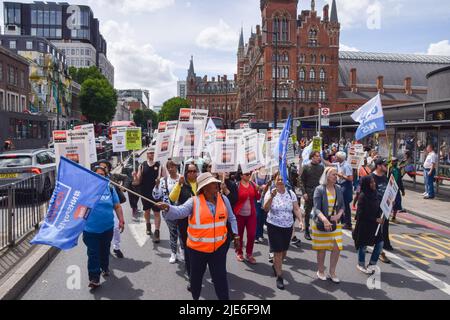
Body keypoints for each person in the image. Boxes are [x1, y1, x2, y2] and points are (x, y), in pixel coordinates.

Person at [158, 172, 240, 300]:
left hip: (218, 249)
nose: (216, 185)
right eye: (213, 184)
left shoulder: (224, 199)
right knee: (195, 281)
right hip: (197, 251)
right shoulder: (193, 202)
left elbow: (232, 218)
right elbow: (180, 211)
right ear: (204, 188)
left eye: (216, 183)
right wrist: (168, 208)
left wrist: (236, 235)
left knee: (221, 281)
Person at [83, 166, 125, 289]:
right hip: (90, 230)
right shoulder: (87, 190)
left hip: (107, 228)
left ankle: (105, 267)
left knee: (104, 250)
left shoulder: (110, 188)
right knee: (93, 253)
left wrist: (121, 220)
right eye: (98, 174)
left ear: (106, 176)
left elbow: (117, 206)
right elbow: (79, 207)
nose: (100, 176)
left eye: (103, 174)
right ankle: (94, 278)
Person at [263, 173, 303, 290]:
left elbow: (296, 208)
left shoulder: (291, 193)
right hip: (273, 225)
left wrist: (300, 221)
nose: (280, 181)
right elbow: (265, 208)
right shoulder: (270, 192)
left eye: (282, 179)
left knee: (284, 251)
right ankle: (279, 276)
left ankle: (276, 266)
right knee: (278, 252)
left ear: (286, 181)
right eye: (278, 179)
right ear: (275, 181)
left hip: (288, 226)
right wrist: (271, 196)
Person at [311, 167, 345, 283]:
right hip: (322, 222)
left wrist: (339, 215)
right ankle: (321, 271)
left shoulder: (339, 188)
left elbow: (342, 206)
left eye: (336, 174)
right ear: (326, 176)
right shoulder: (319, 189)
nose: (336, 176)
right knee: (322, 249)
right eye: (333, 174)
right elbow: (316, 209)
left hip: (335, 223)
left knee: (337, 248)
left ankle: (332, 272)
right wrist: (325, 220)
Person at [169, 162, 198, 290]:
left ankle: (197, 268)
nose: (192, 173)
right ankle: (190, 272)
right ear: (185, 172)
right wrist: (179, 184)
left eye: (194, 171)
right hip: (184, 220)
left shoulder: (201, 183)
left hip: (198, 221)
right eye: (189, 171)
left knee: (197, 247)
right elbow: (172, 198)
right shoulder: (181, 183)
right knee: (187, 246)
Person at [353, 176, 385, 274]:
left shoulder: (375, 193)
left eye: (373, 182)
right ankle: (361, 264)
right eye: (371, 183)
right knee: (363, 246)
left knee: (380, 243)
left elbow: (378, 207)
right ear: (366, 184)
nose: (373, 184)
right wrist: (375, 219)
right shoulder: (362, 196)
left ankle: (372, 264)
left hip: (375, 226)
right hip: (364, 226)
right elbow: (360, 215)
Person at [96, 159, 127, 259]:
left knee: (116, 228)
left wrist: (123, 187)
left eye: (105, 167)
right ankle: (105, 248)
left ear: (108, 168)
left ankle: (116, 247)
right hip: (101, 209)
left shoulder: (112, 177)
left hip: (114, 205)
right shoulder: (95, 179)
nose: (102, 169)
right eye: (100, 166)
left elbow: (126, 178)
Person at [153, 160, 181, 264]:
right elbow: (156, 196)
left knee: (181, 231)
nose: (170, 169)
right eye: (168, 167)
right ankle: (173, 253)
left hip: (182, 210)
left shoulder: (182, 178)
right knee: (173, 231)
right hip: (168, 211)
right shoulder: (163, 180)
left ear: (176, 167)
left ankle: (182, 250)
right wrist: (156, 185)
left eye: (172, 166)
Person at [133, 148, 162, 242]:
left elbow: (165, 179)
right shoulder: (142, 166)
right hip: (145, 192)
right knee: (147, 211)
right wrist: (134, 176)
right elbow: (137, 181)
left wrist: (159, 181)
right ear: (147, 155)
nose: (151, 155)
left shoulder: (160, 165)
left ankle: (157, 232)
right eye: (149, 153)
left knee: (157, 213)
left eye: (153, 153)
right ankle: (148, 226)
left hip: (156, 194)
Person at [233, 171, 261, 264]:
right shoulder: (236, 185)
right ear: (241, 175)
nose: (249, 176)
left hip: (251, 215)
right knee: (239, 236)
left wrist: (258, 190)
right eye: (247, 174)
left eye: (249, 174)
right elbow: (233, 199)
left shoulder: (253, 184)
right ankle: (239, 252)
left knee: (252, 235)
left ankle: (249, 254)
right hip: (239, 215)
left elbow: (257, 197)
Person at [299, 151, 324, 241]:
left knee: (319, 212)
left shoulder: (321, 168)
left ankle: (318, 230)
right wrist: (304, 193)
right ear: (312, 157)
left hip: (319, 192)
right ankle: (306, 230)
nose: (319, 158)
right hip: (309, 192)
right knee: (307, 212)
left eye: (319, 156)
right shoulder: (306, 167)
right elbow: (301, 181)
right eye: (317, 156)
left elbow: (323, 180)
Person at [372, 158, 393, 262]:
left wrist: (391, 201)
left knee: (383, 229)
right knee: (376, 230)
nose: (386, 166)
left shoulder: (385, 177)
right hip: (375, 208)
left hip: (385, 208)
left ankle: (381, 248)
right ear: (379, 166)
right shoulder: (371, 177)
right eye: (384, 165)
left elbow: (388, 191)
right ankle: (379, 252)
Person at [335, 152, 354, 230]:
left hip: (346, 186)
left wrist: (341, 175)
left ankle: (348, 223)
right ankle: (343, 220)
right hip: (340, 185)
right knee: (340, 203)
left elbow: (350, 178)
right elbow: (328, 163)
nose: (335, 158)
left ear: (340, 158)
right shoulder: (339, 164)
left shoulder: (346, 166)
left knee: (345, 205)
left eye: (336, 157)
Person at [252, 168, 269, 243]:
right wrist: (257, 186)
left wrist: (266, 186)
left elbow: (270, 185)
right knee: (257, 216)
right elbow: (250, 182)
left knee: (262, 217)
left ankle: (260, 235)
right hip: (255, 197)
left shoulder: (268, 174)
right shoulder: (254, 173)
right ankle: (255, 235)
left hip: (264, 198)